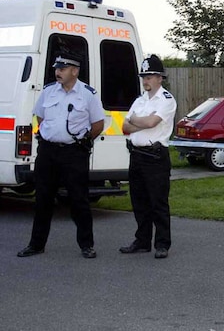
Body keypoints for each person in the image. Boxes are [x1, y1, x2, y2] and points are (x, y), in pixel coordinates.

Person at [17, 52, 105, 259]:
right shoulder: (48, 91)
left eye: (62, 69)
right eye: (57, 68)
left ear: (74, 71)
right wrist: (50, 134)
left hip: (73, 153)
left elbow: (98, 124)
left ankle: (86, 245)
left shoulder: (87, 94)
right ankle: (36, 244)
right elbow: (40, 115)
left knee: (79, 200)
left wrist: (84, 141)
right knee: (43, 199)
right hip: (48, 152)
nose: (57, 72)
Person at [120, 55, 177, 259]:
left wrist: (136, 120)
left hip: (155, 156)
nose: (146, 81)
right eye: (144, 76)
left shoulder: (166, 100)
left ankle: (162, 243)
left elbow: (152, 123)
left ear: (160, 78)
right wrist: (138, 122)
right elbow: (124, 127)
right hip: (136, 155)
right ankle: (142, 240)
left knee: (158, 202)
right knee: (139, 201)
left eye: (150, 76)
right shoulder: (139, 100)